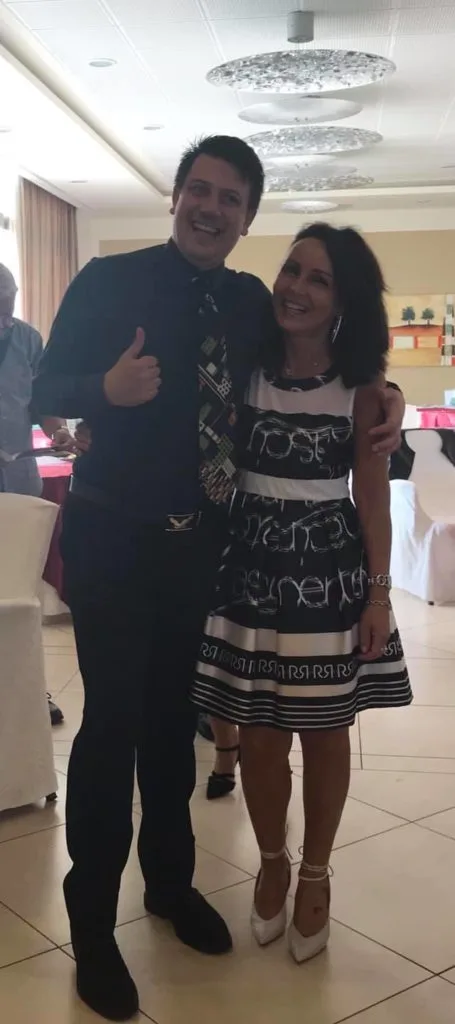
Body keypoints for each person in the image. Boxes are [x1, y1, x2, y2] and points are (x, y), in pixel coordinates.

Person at [32, 136, 405, 1022]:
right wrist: (103, 389)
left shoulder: (247, 303)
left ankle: (170, 885)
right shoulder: (108, 280)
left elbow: (325, 353)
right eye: (198, 190)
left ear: (246, 218)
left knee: (175, 725)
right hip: (114, 540)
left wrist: (384, 398)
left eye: (229, 199)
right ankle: (92, 928)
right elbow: (41, 389)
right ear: (174, 197)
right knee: (112, 726)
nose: (210, 208)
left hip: (202, 548)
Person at [191, 223, 412, 964]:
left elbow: (373, 500)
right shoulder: (243, 366)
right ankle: (271, 861)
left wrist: (378, 596)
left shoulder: (364, 389)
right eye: (292, 270)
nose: (296, 288)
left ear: (344, 301)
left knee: (323, 733)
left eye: (320, 279)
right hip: (248, 568)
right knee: (258, 733)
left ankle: (315, 871)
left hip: (328, 574)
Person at [0, 264, 71, 726]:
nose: (4, 313)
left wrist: (58, 430)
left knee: (22, 593)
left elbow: (42, 404)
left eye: (8, 301)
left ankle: (31, 690)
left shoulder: (27, 339)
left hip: (19, 479)